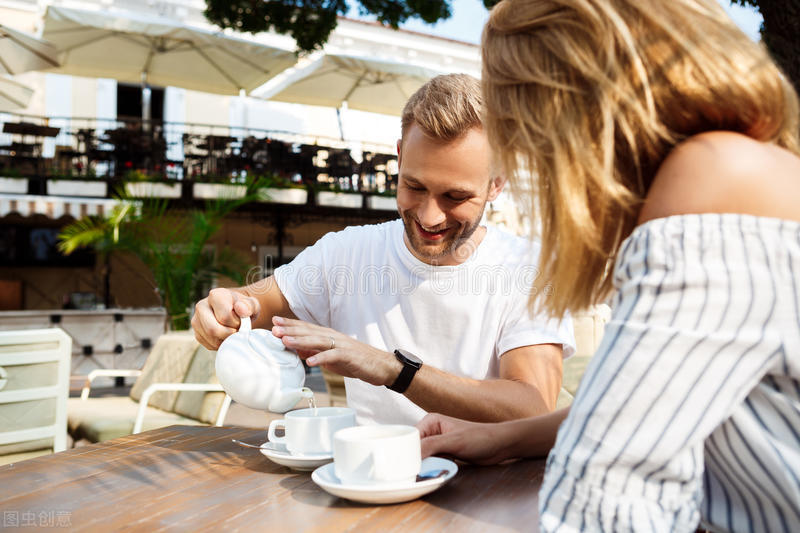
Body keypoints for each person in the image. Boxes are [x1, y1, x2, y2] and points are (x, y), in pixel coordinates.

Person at [418, 0, 800, 531]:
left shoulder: (712, 180)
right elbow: (658, 407)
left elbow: (603, 495)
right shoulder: (755, 168)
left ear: (567, 109)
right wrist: (501, 437)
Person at [192, 73, 575, 426]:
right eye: (415, 186)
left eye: (455, 196)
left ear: (497, 184)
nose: (429, 216)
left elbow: (531, 406)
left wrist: (392, 368)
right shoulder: (348, 252)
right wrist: (223, 308)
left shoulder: (530, 267)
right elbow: (255, 303)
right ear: (399, 156)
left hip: (484, 495)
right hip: (366, 484)